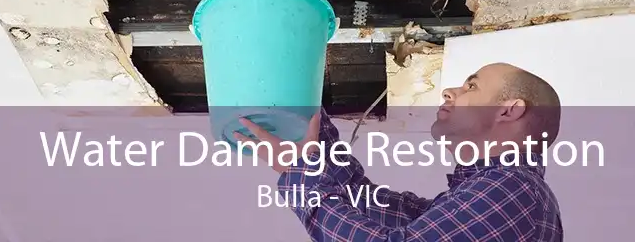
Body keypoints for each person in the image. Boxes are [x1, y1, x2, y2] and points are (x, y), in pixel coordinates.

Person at [235, 62, 564, 241]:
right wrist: (305, 107)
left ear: (509, 110)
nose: (449, 91)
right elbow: (365, 201)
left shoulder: (513, 188)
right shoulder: (491, 191)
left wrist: (301, 176)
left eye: (472, 86)